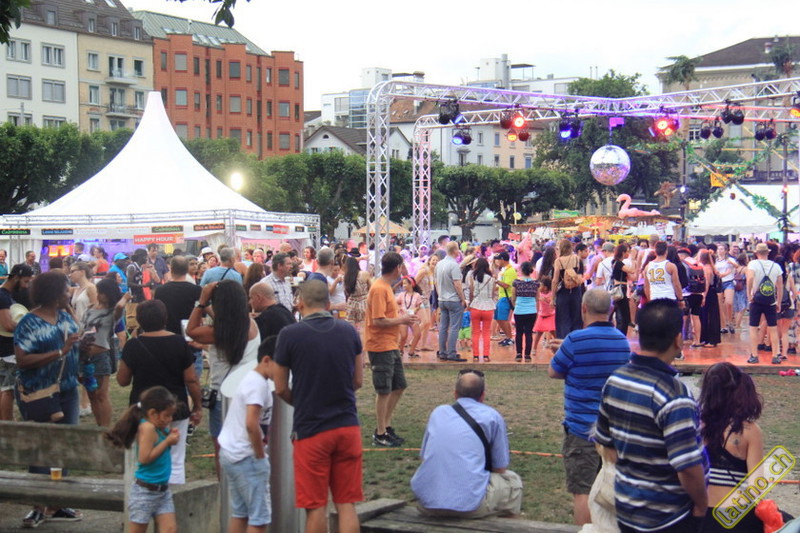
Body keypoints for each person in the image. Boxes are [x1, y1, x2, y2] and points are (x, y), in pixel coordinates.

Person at [594, 299, 708, 533]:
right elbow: (687, 467)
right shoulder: (674, 395)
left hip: (626, 510)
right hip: (668, 518)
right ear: (678, 339)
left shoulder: (615, 380)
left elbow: (607, 445)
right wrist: (701, 504)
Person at [273, 280, 364, 533]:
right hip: (347, 425)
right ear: (328, 303)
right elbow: (358, 380)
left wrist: (302, 401)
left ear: (300, 303)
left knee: (315, 507)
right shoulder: (348, 331)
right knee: (346, 503)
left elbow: (280, 387)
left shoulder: (289, 334)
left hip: (311, 429)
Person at [548, 288, 631, 526]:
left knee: (582, 491)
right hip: (613, 429)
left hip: (580, 428)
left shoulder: (575, 340)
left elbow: (554, 371)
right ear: (610, 309)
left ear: (583, 308)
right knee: (609, 486)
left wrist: (564, 351)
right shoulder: (621, 341)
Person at [14, 271, 83, 527]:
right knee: (41, 446)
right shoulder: (29, 323)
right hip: (39, 393)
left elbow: (74, 344)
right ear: (54, 294)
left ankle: (57, 502)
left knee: (65, 446)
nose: (69, 293)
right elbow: (23, 360)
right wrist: (60, 352)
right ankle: (38, 505)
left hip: (67, 390)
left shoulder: (64, 317)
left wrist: (81, 347)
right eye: (66, 290)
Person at [410, 369, 522, 518]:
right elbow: (500, 468)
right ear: (483, 396)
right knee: (513, 481)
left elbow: (424, 456)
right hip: (469, 506)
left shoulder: (438, 413)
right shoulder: (492, 416)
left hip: (427, 503)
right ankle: (507, 523)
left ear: (455, 394)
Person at [117, 300, 202, 484]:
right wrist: (197, 405)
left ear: (140, 320)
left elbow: (122, 380)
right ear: (165, 318)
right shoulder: (179, 342)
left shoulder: (133, 345)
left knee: (141, 455)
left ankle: (142, 493)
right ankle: (173, 496)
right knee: (176, 459)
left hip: (143, 408)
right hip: (175, 406)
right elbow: (191, 379)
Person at [187, 280, 259, 477]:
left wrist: (202, 302)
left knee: (222, 448)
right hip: (248, 394)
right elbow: (226, 324)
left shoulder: (220, 332)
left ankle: (226, 489)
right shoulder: (250, 324)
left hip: (223, 397)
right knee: (245, 446)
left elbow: (190, 331)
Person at [698, 362, 766, 532]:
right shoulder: (750, 431)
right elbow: (757, 486)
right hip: (736, 518)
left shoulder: (694, 425)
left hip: (700, 517)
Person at [218, 338, 275, 533]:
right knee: (259, 518)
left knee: (241, 513)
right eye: (282, 365)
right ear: (267, 360)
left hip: (231, 453)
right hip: (246, 457)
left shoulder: (253, 379)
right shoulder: (257, 384)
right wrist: (260, 456)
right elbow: (251, 424)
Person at [106, 386, 180, 533]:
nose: (170, 419)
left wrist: (170, 435)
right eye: (166, 416)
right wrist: (167, 442)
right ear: (152, 413)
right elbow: (144, 458)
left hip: (162, 490)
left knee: (170, 529)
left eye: (171, 416)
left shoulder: (158, 427)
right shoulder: (147, 428)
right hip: (145, 492)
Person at [365, 252, 418, 447]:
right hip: (380, 345)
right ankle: (380, 433)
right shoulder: (379, 288)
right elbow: (378, 320)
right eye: (402, 267)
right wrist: (402, 320)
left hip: (390, 344)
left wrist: (401, 316)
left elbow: (385, 315)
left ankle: (386, 427)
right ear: (397, 268)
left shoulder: (386, 286)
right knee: (384, 390)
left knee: (399, 385)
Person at [80, 278, 129, 426]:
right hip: (84, 355)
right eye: (98, 292)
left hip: (101, 355)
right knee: (92, 394)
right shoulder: (91, 308)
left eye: (102, 292)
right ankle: (99, 425)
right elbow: (82, 327)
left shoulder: (113, 312)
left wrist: (125, 297)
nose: (99, 295)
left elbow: (120, 307)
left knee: (102, 394)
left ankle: (105, 428)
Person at [154, 256, 204, 385]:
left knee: (171, 381)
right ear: (187, 269)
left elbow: (157, 314)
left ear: (171, 269)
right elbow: (205, 312)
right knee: (192, 381)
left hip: (168, 338)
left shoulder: (160, 291)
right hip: (190, 338)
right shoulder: (196, 290)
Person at [0, 264, 33, 420]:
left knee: (4, 389)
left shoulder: (6, 295)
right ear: (16, 278)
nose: (26, 286)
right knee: (8, 390)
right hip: (7, 350)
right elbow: (7, 324)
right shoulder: (3, 296)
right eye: (25, 281)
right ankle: (7, 423)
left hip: (5, 349)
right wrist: (27, 327)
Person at [746, 242, 782, 365]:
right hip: (770, 300)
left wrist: (749, 294)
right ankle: (775, 355)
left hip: (756, 300)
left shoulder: (753, 264)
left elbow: (750, 278)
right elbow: (780, 286)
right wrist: (779, 301)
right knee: (773, 328)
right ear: (768, 253)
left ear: (756, 253)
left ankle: (754, 355)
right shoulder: (776, 266)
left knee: (753, 327)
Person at [435, 242, 468, 361]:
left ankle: (442, 351)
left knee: (443, 326)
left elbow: (436, 282)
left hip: (442, 299)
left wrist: (440, 295)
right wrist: (463, 299)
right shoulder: (454, 265)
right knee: (454, 327)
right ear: (455, 251)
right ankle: (451, 352)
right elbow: (457, 284)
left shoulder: (439, 264)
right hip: (453, 299)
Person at [552, 239, 584, 338]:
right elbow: (580, 275)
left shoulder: (558, 261)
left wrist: (553, 297)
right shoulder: (577, 259)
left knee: (563, 319)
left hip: (563, 291)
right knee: (576, 317)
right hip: (576, 290)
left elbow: (555, 280)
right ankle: (576, 340)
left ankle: (564, 341)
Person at [467, 258, 496, 363]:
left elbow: (471, 292)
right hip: (488, 307)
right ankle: (486, 356)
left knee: (475, 332)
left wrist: (470, 304)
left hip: (475, 306)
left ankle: (475, 356)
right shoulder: (491, 279)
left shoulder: (472, 277)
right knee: (486, 332)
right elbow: (492, 294)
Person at [512, 261, 537, 362]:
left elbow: (513, 297)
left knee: (519, 332)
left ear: (521, 270)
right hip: (531, 310)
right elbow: (537, 298)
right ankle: (527, 355)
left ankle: (518, 354)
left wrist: (515, 306)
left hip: (519, 310)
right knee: (529, 333)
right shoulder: (536, 283)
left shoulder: (516, 282)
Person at [610, 244, 636, 336]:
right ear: (623, 252)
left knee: (620, 313)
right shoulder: (619, 263)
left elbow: (632, 277)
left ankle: (619, 333)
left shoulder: (616, 262)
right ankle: (621, 334)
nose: (628, 254)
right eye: (627, 252)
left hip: (620, 288)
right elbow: (632, 271)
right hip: (620, 288)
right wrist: (633, 260)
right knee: (623, 315)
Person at [415, 254, 439, 351]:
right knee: (424, 321)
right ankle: (413, 341)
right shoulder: (424, 271)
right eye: (433, 260)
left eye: (437, 260)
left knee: (428, 323)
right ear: (429, 261)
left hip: (427, 299)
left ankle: (423, 344)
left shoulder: (434, 273)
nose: (435, 262)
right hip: (420, 299)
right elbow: (414, 283)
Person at [698, 249, 721, 348]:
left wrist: (703, 296)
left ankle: (711, 340)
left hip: (708, 294)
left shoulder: (706, 268)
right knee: (710, 316)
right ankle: (708, 339)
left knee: (709, 316)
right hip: (712, 293)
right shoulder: (711, 267)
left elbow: (706, 284)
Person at [493, 251, 517, 347]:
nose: (497, 261)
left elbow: (507, 285)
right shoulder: (504, 270)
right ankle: (507, 336)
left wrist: (496, 281)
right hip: (501, 296)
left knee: (504, 318)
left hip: (507, 297)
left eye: (498, 259)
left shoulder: (510, 271)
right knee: (498, 318)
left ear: (502, 259)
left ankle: (510, 337)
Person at [396, 276, 423, 358]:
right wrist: (399, 309)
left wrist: (415, 310)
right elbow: (396, 303)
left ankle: (411, 351)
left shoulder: (417, 295)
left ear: (411, 284)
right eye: (403, 284)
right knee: (403, 335)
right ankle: (400, 350)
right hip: (403, 317)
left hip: (412, 317)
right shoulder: (401, 295)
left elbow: (418, 305)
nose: (403, 285)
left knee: (417, 334)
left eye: (405, 283)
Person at [715, 244, 738, 334]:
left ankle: (730, 322)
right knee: (720, 305)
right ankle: (723, 325)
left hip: (728, 282)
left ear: (725, 251)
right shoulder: (715, 261)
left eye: (722, 249)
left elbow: (737, 266)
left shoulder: (730, 259)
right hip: (719, 282)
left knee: (729, 302)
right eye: (718, 249)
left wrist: (732, 264)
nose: (720, 251)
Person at [533, 276, 556, 354]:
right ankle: (534, 348)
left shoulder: (551, 294)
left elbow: (552, 303)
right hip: (542, 315)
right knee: (539, 333)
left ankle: (558, 347)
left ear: (545, 287)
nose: (539, 287)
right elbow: (536, 298)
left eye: (541, 285)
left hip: (550, 315)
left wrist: (547, 300)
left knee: (553, 332)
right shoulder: (539, 293)